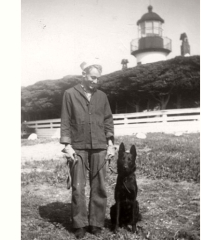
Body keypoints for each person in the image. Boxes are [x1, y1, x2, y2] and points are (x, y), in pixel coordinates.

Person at [60, 58, 115, 239]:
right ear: (83, 75)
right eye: (92, 77)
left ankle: (96, 223)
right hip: (78, 147)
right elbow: (66, 121)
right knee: (78, 187)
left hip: (99, 146)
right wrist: (67, 145)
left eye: (98, 78)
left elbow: (108, 121)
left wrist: (110, 144)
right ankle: (79, 224)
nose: (95, 81)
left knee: (99, 186)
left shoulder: (102, 96)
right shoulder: (69, 94)